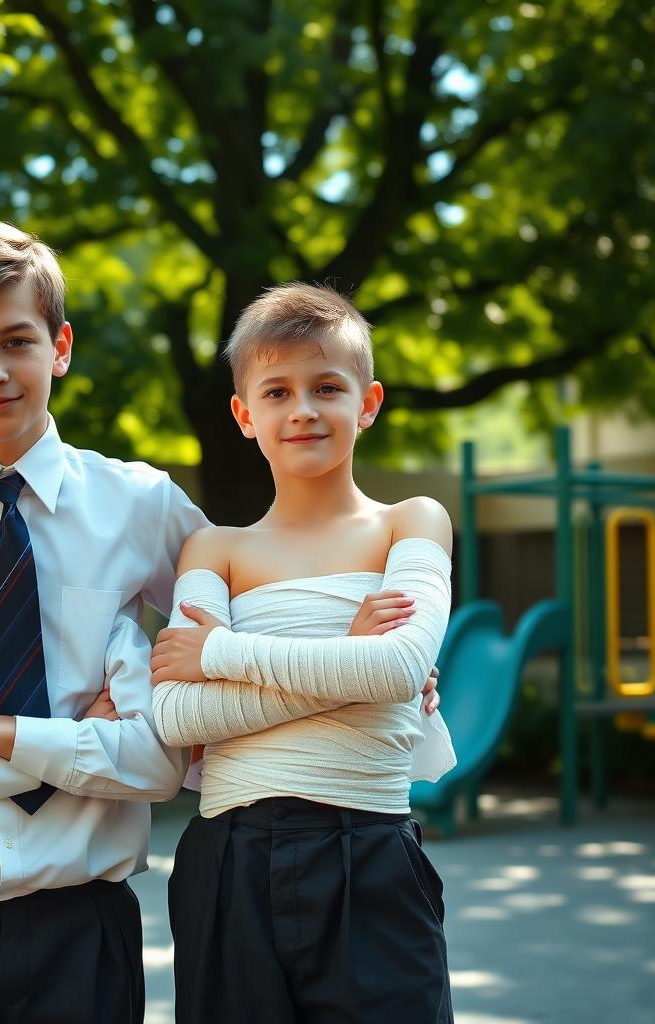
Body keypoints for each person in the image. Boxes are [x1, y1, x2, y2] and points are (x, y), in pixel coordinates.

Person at [0, 218, 442, 1024]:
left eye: (17, 341)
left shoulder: (145, 506)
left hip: (82, 928)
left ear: (60, 347)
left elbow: (231, 645)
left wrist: (366, 677)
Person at [150, 282, 456, 1023]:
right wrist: (347, 663)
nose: (305, 410)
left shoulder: (410, 523)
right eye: (278, 391)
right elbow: (176, 713)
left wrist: (221, 650)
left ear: (369, 402)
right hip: (230, 852)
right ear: (244, 415)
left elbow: (396, 669)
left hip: (371, 849)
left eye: (328, 387)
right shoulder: (213, 547)